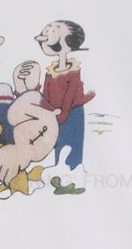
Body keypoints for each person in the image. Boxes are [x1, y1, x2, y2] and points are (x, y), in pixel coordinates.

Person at [35, 20, 95, 169]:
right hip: (53, 115)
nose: (48, 30)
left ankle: (73, 172)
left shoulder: (73, 71)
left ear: (68, 44)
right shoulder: (51, 71)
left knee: (71, 147)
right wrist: (47, 112)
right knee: (55, 145)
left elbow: (71, 95)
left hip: (71, 113)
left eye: (56, 28)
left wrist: (62, 114)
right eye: (49, 27)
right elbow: (45, 94)